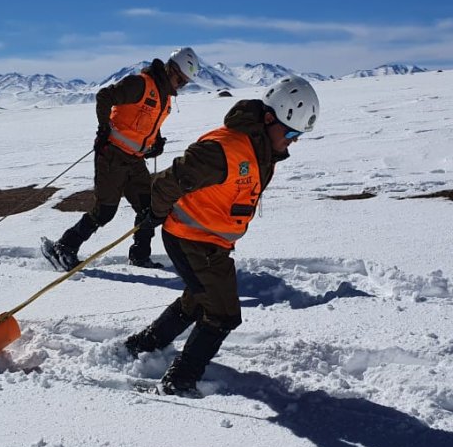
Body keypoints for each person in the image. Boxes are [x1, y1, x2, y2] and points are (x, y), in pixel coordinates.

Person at [123, 76, 320, 396]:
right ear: (269, 119)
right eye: (290, 133)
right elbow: (168, 182)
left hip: (210, 241)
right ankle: (179, 381)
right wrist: (152, 217)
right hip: (191, 239)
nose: (293, 141)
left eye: (298, 136)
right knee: (222, 314)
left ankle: (144, 344)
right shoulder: (224, 150)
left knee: (198, 300)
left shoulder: (262, 150)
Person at [42, 47, 200, 271]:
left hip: (135, 160)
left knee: (149, 210)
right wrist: (103, 128)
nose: (180, 85)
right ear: (170, 69)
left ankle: (140, 257)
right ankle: (64, 246)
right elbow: (104, 96)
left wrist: (155, 142)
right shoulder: (140, 84)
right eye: (180, 79)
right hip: (112, 155)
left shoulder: (165, 98)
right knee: (105, 211)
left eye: (185, 83)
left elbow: (145, 123)